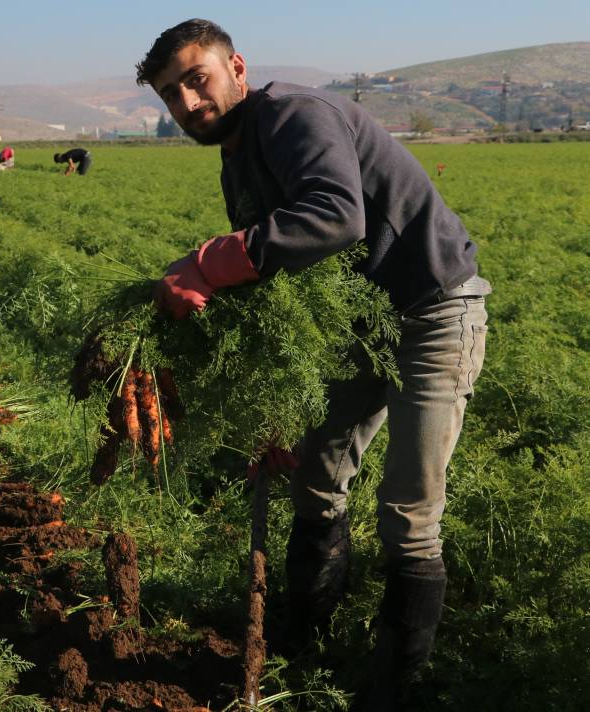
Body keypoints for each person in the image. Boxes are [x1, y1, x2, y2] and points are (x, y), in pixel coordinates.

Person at [138, 19, 491, 710]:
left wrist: (208, 261)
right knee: (312, 478)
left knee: (408, 512)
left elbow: (335, 216)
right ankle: (305, 649)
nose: (187, 104)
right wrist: (281, 409)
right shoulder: (238, 154)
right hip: (354, 326)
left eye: (195, 80)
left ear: (236, 68)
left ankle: (394, 688)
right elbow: (284, 281)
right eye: (170, 95)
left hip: (431, 308)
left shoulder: (291, 113)